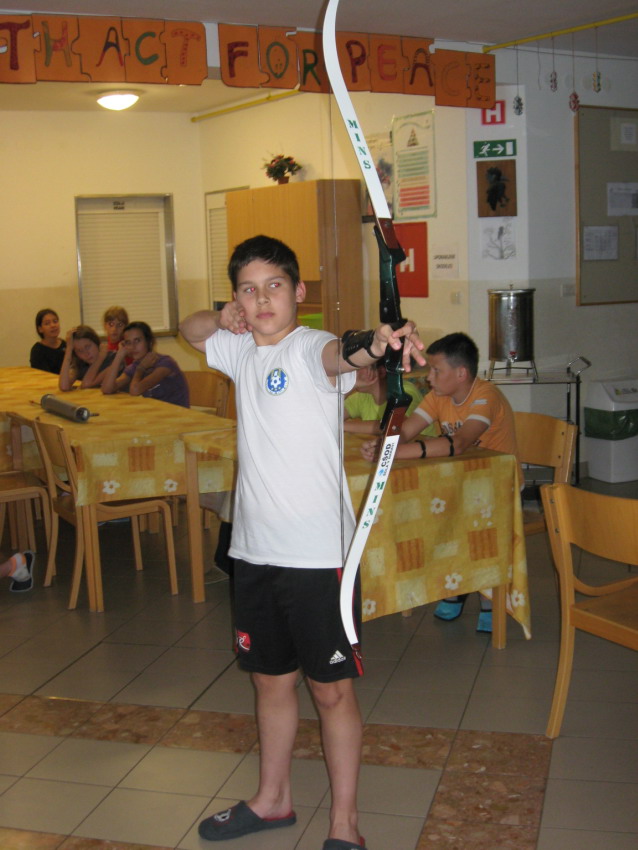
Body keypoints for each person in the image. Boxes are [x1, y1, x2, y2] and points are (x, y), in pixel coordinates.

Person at [179, 234, 424, 850]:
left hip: (320, 560)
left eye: (274, 286)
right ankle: (273, 800)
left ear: (299, 292)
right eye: (249, 290)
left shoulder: (312, 347)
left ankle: (345, 824)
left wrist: (380, 342)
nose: (262, 300)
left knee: (332, 691)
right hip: (254, 554)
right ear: (238, 299)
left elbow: (346, 353)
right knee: (269, 681)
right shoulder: (239, 350)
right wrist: (220, 318)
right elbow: (189, 330)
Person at [361, 331, 522, 633]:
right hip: (459, 481)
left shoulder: (485, 396)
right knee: (438, 516)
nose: (429, 377)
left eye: (436, 370)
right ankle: (456, 583)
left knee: (474, 523)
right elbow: (407, 430)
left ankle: (488, 596)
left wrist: (395, 453)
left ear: (461, 374)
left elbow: (459, 443)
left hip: (498, 485)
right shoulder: (438, 396)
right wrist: (385, 444)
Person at [101, 321, 190, 408]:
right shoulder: (134, 366)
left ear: (149, 342)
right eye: (128, 342)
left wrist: (141, 369)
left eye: (137, 340)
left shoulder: (165, 363)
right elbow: (107, 389)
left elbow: (135, 390)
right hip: (156, 414)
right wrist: (119, 355)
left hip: (177, 415)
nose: (133, 346)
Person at [344, 361, 437, 436]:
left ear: (381, 372)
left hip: (420, 450)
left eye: (357, 368)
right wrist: (349, 386)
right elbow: (336, 415)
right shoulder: (362, 396)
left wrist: (341, 426)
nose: (350, 373)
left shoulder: (404, 391)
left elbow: (394, 426)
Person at [58, 325, 118, 391]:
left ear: (96, 342)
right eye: (80, 351)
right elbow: (64, 386)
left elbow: (86, 384)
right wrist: (69, 349)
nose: (86, 353)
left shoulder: (113, 359)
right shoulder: (80, 363)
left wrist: (100, 358)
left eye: (88, 346)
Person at [30, 309, 66, 374]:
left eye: (55, 321)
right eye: (47, 323)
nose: (53, 325)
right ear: (40, 329)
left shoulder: (66, 344)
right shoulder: (37, 350)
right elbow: (42, 375)